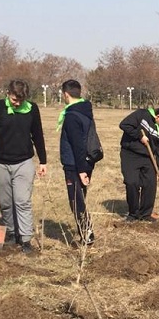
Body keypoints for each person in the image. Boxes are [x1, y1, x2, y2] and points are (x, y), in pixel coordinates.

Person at [0, 79, 47, 253]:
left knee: (22, 201)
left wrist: (43, 161)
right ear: (8, 93)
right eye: (15, 100)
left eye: (21, 100)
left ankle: (25, 240)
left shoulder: (32, 109)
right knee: (6, 203)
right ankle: (11, 233)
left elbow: (38, 135)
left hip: (24, 162)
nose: (17, 103)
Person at [57, 79, 96, 245]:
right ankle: (85, 233)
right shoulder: (85, 110)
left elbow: (77, 144)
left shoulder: (72, 116)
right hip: (85, 162)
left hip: (75, 165)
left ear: (66, 94)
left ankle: (87, 234)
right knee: (80, 197)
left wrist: (80, 170)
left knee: (76, 199)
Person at [119, 105, 159, 221]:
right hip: (130, 154)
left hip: (147, 157)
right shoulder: (142, 115)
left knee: (150, 184)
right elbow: (124, 125)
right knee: (131, 182)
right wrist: (139, 136)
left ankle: (145, 214)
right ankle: (133, 213)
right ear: (158, 116)